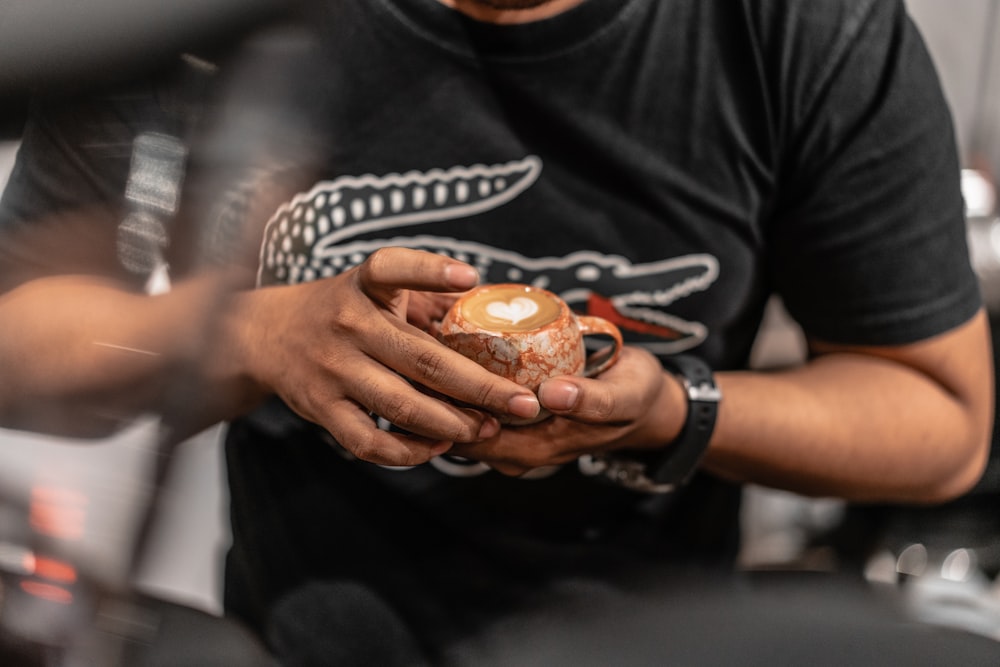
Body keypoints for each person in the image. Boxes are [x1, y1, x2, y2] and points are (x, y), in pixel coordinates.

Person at [0, 0, 995, 663]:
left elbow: (941, 420)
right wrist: (257, 335)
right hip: (298, 632)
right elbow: (20, 340)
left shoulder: (800, 26)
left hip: (658, 638)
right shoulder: (219, 21)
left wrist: (670, 411)